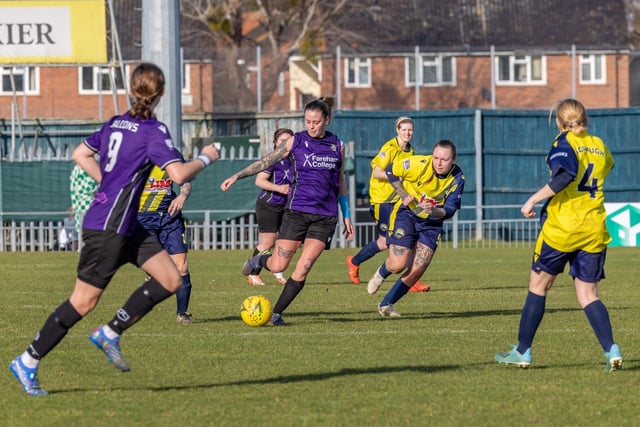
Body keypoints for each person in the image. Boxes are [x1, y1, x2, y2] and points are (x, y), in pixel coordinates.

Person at [8, 62, 220, 396]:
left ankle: (110, 332)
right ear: (161, 93)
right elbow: (179, 174)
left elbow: (80, 153)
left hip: (126, 224)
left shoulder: (114, 124)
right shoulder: (153, 130)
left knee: (170, 278)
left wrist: (106, 184)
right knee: (83, 302)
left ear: (132, 90)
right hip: (108, 228)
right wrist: (207, 157)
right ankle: (28, 359)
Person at [494, 98, 622, 371]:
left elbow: (565, 176)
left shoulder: (564, 142)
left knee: (538, 287)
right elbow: (608, 166)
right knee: (588, 295)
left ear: (559, 121)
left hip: (562, 229)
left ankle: (523, 351)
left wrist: (532, 200)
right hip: (593, 228)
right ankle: (611, 349)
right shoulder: (599, 145)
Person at [221, 97, 354, 326]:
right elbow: (265, 162)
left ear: (327, 120)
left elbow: (340, 180)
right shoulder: (296, 141)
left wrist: (347, 214)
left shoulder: (337, 146)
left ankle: (276, 314)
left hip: (325, 217)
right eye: (307, 121)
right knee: (279, 265)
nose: (311, 126)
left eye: (316, 122)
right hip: (297, 212)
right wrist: (237, 175)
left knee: (304, 267)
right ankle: (258, 261)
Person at [367, 139, 465, 317]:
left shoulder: (457, 177)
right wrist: (403, 194)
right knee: (397, 265)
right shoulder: (418, 164)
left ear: (453, 160)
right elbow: (390, 170)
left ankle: (386, 304)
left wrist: (435, 210)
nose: (439, 163)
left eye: (444, 159)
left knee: (418, 268)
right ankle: (382, 272)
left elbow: (450, 209)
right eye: (436, 158)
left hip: (432, 224)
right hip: (407, 215)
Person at [345, 116, 430, 292]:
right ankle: (354, 261)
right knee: (386, 242)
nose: (407, 133)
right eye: (404, 129)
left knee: (409, 238)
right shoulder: (389, 148)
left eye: (410, 130)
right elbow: (377, 172)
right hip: (382, 200)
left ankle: (410, 280)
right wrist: (398, 177)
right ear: (397, 130)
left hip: (398, 200)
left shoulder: (410, 151)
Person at [138, 165, 195, 324]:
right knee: (152, 265)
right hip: (143, 219)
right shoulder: (134, 154)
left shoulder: (170, 154)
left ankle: (182, 312)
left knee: (181, 265)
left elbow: (185, 181)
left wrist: (183, 195)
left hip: (170, 218)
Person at [247, 128, 294, 286]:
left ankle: (276, 267)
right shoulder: (272, 159)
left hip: (286, 206)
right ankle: (253, 273)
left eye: (288, 140)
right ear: (275, 143)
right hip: (268, 205)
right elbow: (259, 181)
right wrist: (280, 189)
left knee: (284, 240)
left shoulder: (295, 160)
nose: (284, 144)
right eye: (281, 141)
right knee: (267, 242)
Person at [70, 162, 98, 248]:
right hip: (88, 204)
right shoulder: (84, 170)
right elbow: (88, 188)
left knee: (82, 230)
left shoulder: (75, 171)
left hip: (79, 205)